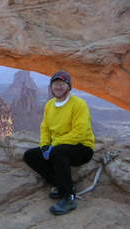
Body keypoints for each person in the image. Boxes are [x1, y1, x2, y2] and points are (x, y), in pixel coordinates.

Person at [23, 70, 95, 215]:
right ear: (51, 87)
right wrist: (44, 145)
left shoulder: (79, 104)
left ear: (69, 87)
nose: (58, 87)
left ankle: (68, 197)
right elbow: (45, 127)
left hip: (82, 147)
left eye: (62, 84)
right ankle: (60, 183)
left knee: (58, 152)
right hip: (60, 147)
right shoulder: (50, 105)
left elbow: (80, 132)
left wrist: (54, 144)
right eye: (55, 84)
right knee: (30, 155)